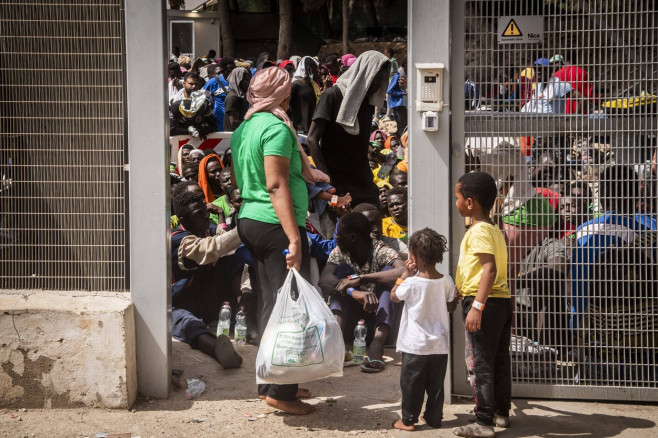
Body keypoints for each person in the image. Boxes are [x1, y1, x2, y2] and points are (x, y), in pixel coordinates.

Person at [232, 66, 323, 415]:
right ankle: (281, 393)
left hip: (250, 221)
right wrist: (293, 237)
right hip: (275, 226)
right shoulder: (276, 129)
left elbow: (244, 180)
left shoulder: (244, 127)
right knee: (289, 306)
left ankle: (270, 379)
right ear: (283, 95)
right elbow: (275, 185)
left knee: (269, 301)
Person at [453, 171, 512, 438]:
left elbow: (488, 269)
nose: (455, 202)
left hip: (484, 303)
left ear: (469, 202)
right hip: (500, 301)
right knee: (499, 360)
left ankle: (483, 422)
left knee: (480, 364)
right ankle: (501, 413)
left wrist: (476, 305)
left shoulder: (478, 232)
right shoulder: (494, 230)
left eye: (457, 196)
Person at [390, 228, 459, 431]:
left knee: (412, 384)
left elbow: (394, 296)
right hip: (439, 345)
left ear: (413, 255)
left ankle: (408, 420)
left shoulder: (411, 283)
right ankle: (433, 418)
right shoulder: (446, 280)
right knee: (435, 386)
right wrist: (455, 298)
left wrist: (405, 273)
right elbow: (450, 307)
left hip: (415, 346)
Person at [318, 213, 405, 373]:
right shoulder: (339, 252)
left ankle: (377, 346)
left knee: (389, 276)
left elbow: (403, 272)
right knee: (342, 271)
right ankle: (336, 344)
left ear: (352, 237)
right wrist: (353, 292)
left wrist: (361, 279)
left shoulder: (380, 249)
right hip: (352, 324)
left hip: (379, 324)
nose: (336, 238)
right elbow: (324, 280)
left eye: (339, 234)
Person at [170, 182, 243, 369]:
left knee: (237, 258)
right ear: (182, 219)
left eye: (205, 211)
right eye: (198, 215)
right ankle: (216, 349)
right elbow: (211, 247)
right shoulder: (177, 239)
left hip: (208, 301)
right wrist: (246, 229)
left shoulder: (208, 229)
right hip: (179, 304)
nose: (205, 217)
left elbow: (223, 238)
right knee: (187, 324)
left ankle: (243, 310)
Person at [307, 51, 391, 206]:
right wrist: (328, 180)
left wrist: (376, 154)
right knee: (339, 226)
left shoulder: (367, 103)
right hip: (336, 181)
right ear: (365, 74)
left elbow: (356, 138)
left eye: (381, 80)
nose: (378, 84)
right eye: (376, 78)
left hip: (362, 180)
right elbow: (312, 140)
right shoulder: (332, 96)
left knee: (372, 221)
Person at [290, 56, 321, 134]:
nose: (318, 71)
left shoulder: (313, 85)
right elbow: (287, 105)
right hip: (300, 128)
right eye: (315, 68)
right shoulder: (295, 85)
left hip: (311, 126)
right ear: (308, 68)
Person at [204, 57, 236, 131]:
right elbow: (203, 100)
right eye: (229, 70)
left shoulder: (238, 82)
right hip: (219, 123)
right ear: (223, 70)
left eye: (234, 70)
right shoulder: (212, 83)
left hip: (235, 123)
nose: (232, 73)